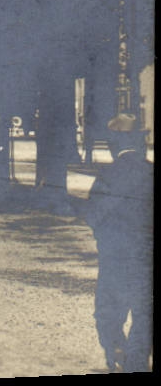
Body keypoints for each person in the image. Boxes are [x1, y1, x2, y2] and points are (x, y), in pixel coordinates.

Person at [84, 112, 153, 373]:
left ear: (114, 144)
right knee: (144, 314)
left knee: (107, 312)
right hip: (146, 257)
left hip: (114, 256)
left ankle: (116, 350)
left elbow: (93, 214)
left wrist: (105, 238)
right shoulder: (150, 172)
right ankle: (136, 363)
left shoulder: (108, 175)